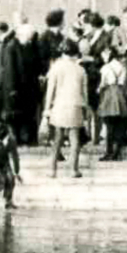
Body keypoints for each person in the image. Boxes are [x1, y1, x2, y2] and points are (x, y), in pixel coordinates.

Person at [43, 38, 89, 179]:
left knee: (57, 139)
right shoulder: (81, 69)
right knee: (75, 139)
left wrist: (47, 109)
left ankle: (53, 170)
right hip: (76, 105)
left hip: (59, 105)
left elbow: (50, 90)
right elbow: (85, 92)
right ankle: (73, 170)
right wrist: (85, 109)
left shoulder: (56, 67)